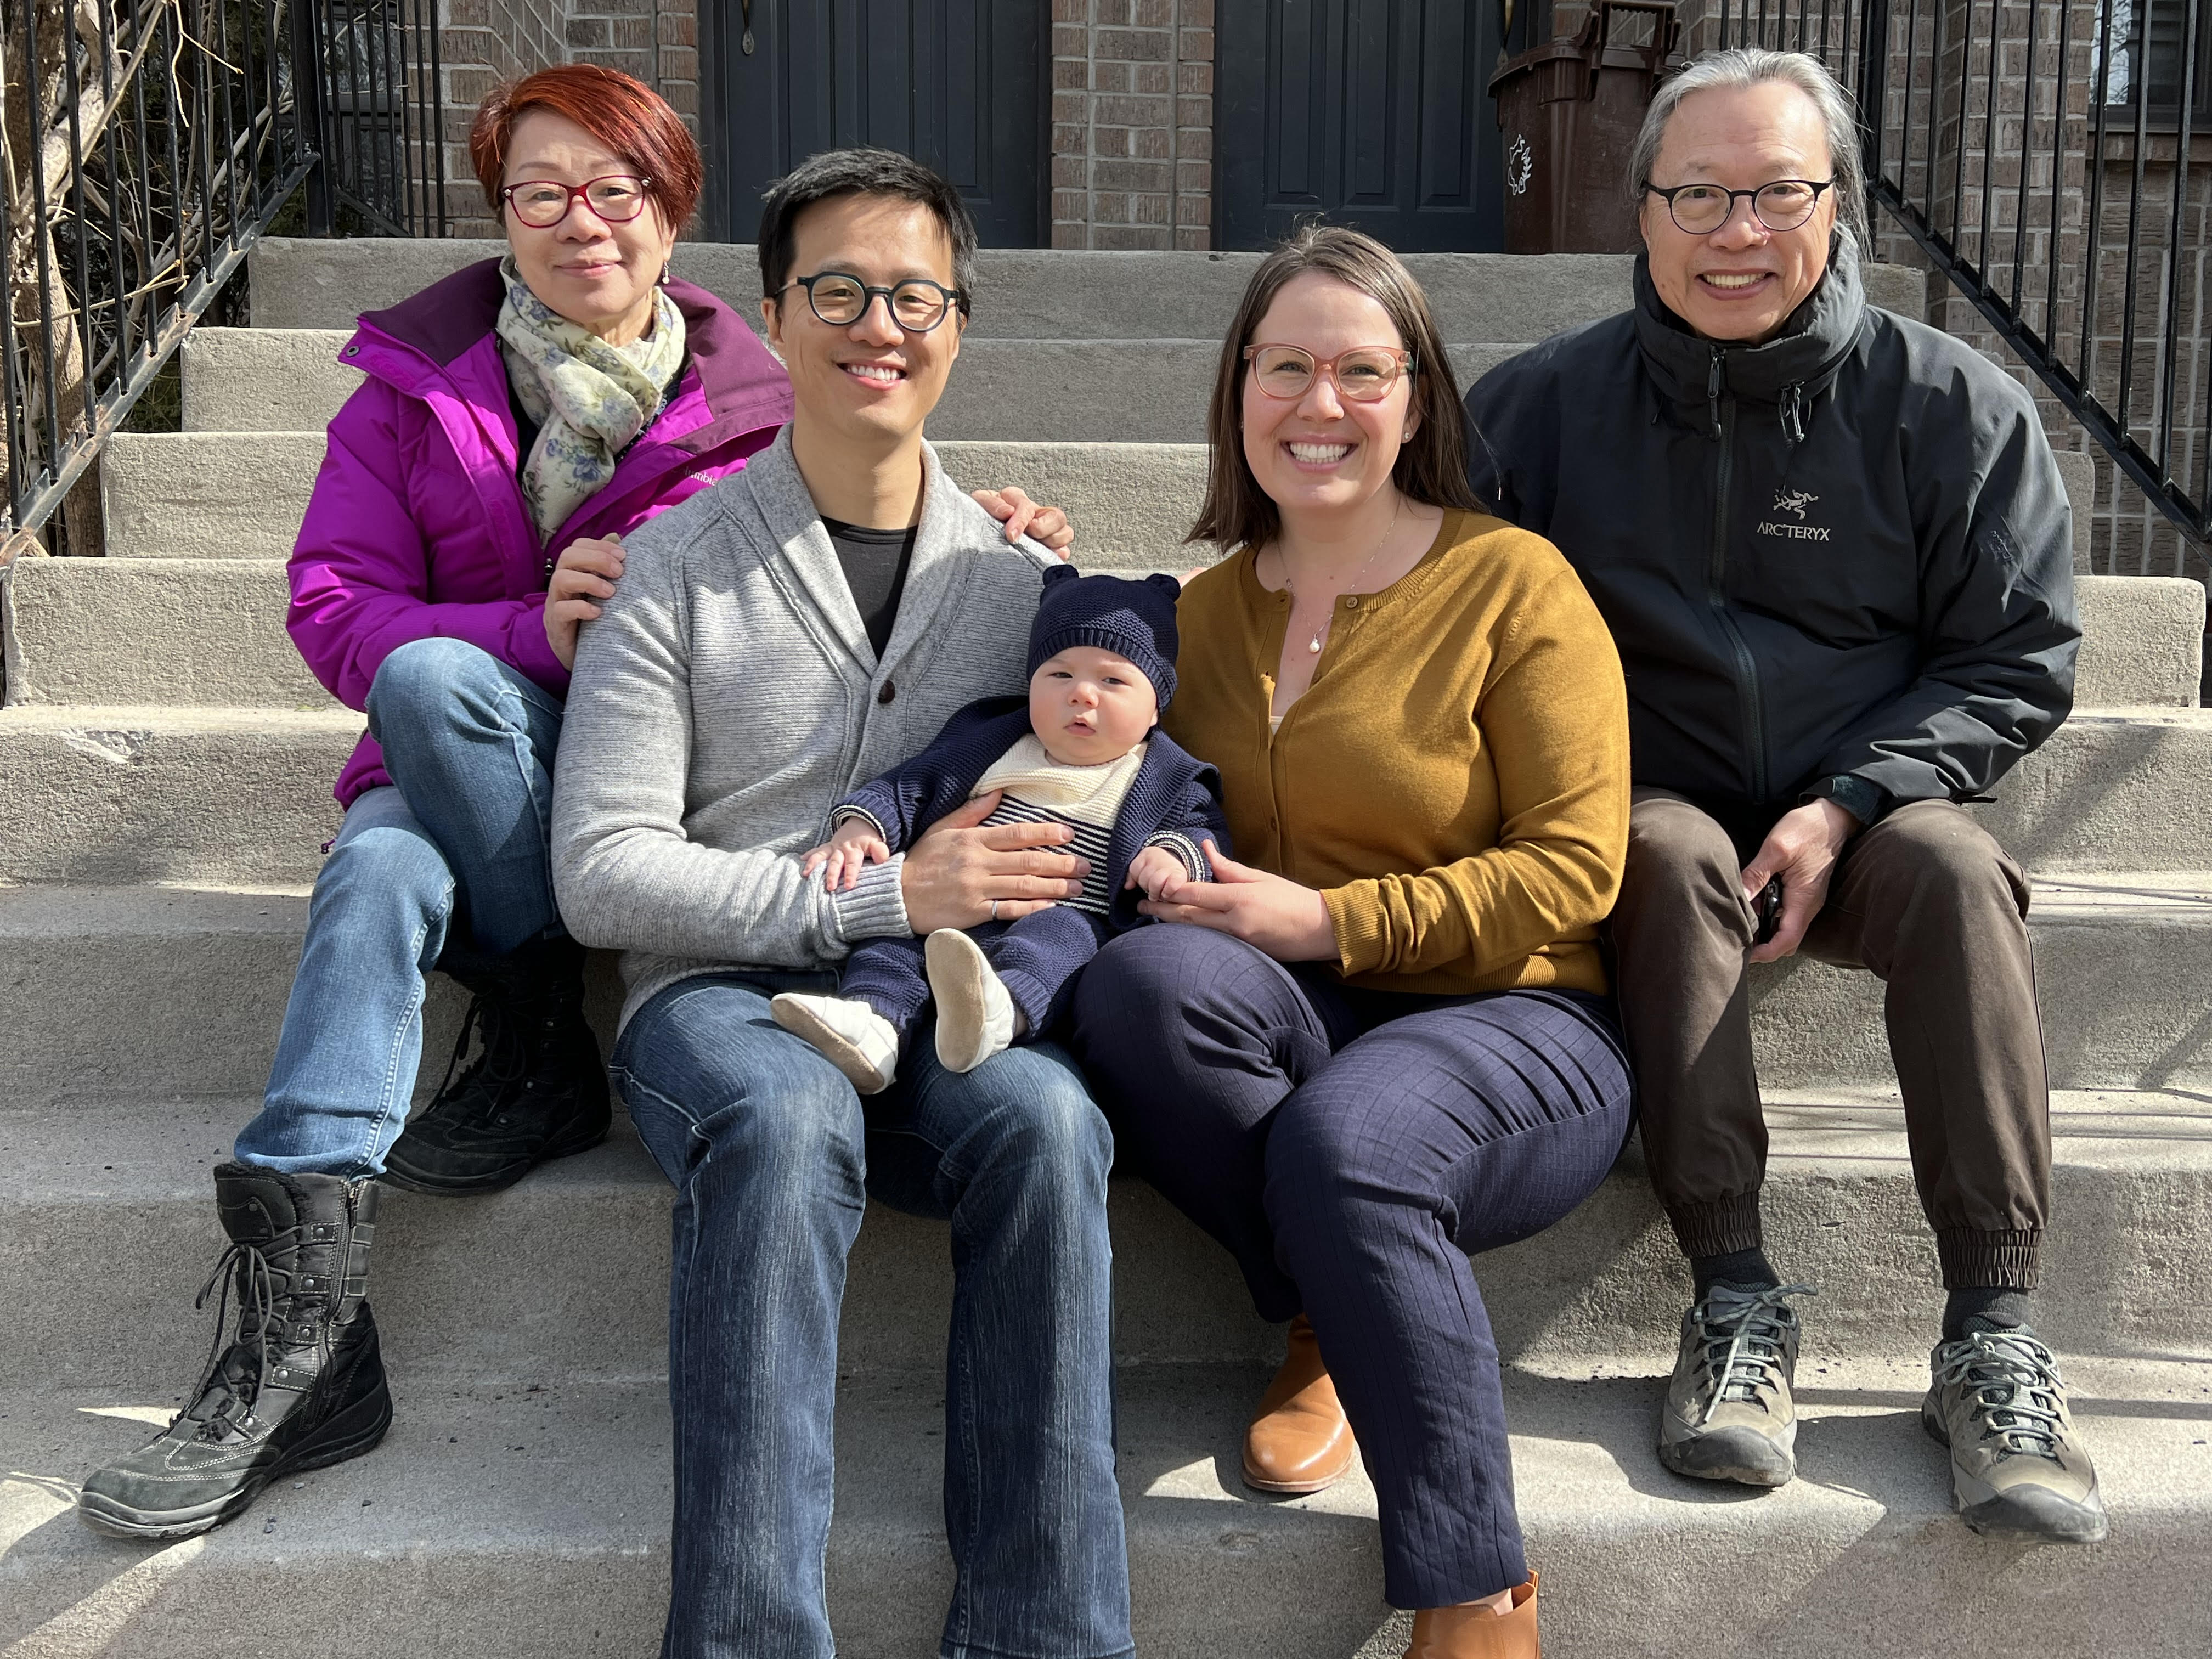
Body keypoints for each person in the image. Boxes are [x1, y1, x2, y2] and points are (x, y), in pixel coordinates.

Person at [74, 71, 1062, 1544]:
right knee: (402, 786)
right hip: (481, 745)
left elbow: (873, 461)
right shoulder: (412, 391)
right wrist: (531, 628)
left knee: (387, 845)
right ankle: (311, 1315)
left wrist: (999, 534)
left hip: (642, 788)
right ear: (502, 217)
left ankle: (517, 1056)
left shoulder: (759, 389)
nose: (581, 223)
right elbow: (333, 605)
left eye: (620, 191)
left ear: (674, 217)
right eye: (541, 193)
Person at [1463, 47, 2103, 1543]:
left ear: (1841, 209)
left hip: (1870, 810)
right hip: (1655, 801)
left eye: (1777, 191)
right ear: (1643, 213)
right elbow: (1448, 618)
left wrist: (1851, 801)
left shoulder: (1954, 409)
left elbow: (2018, 658)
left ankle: (1993, 1331)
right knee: (1663, 849)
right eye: (1698, 193)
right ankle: (1735, 1301)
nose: (1736, 231)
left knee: (1958, 873)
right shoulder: (1541, 411)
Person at [549, 149, 1131, 1659]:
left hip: (942, 997)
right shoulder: (670, 568)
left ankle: (1044, 1635)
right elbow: (602, 866)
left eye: (916, 293)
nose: (881, 322)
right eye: (839, 289)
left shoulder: (1021, 584)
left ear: (958, 321)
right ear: (773, 310)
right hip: (717, 998)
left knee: (1053, 1127)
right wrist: (872, 901)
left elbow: (1097, 800)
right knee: (789, 1114)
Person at [1074, 225, 1634, 1659]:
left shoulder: (1516, 586)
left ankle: (1473, 1596)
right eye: (1286, 368)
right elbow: (1084, 753)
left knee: (1354, 1141)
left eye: (1360, 370)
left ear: (1420, 395)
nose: (1320, 404)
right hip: (1299, 1013)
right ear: (1237, 392)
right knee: (1140, 990)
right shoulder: (1194, 618)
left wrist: (1332, 918)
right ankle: (1332, 1304)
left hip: (1521, 1026)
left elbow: (1577, 871)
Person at [773, 566, 1228, 1090]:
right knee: (891, 940)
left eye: (1113, 680)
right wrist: (859, 826)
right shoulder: (996, 741)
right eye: (1059, 675)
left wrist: (1172, 857)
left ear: (1155, 709)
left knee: (1058, 942)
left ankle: (998, 1013)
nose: (1082, 694)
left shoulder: (1165, 775)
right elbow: (914, 784)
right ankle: (874, 1028)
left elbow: (1204, 833)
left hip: (1065, 910)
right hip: (950, 907)